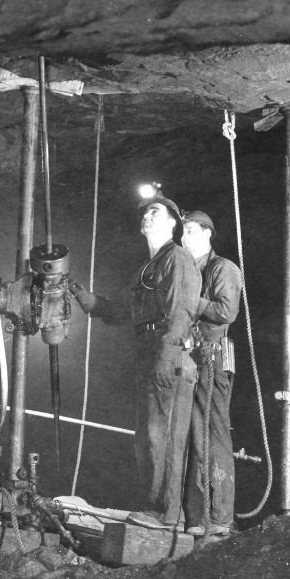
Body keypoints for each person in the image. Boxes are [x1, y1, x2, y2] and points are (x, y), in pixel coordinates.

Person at [72, 193, 200, 527]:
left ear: (173, 222)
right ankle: (154, 507)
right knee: (147, 437)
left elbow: (182, 311)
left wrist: (167, 355)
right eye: (144, 213)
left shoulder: (178, 259)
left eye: (155, 212)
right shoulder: (149, 266)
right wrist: (94, 303)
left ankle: (166, 514)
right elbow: (131, 311)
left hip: (168, 355)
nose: (146, 216)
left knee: (164, 436)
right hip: (150, 351)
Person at [179, 209, 243, 540]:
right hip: (191, 359)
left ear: (207, 233)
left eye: (190, 230)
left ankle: (218, 517)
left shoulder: (223, 268)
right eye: (182, 231)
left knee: (212, 435)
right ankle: (194, 517)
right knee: (191, 435)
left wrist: (188, 299)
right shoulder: (189, 272)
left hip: (213, 358)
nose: (183, 237)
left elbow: (225, 311)